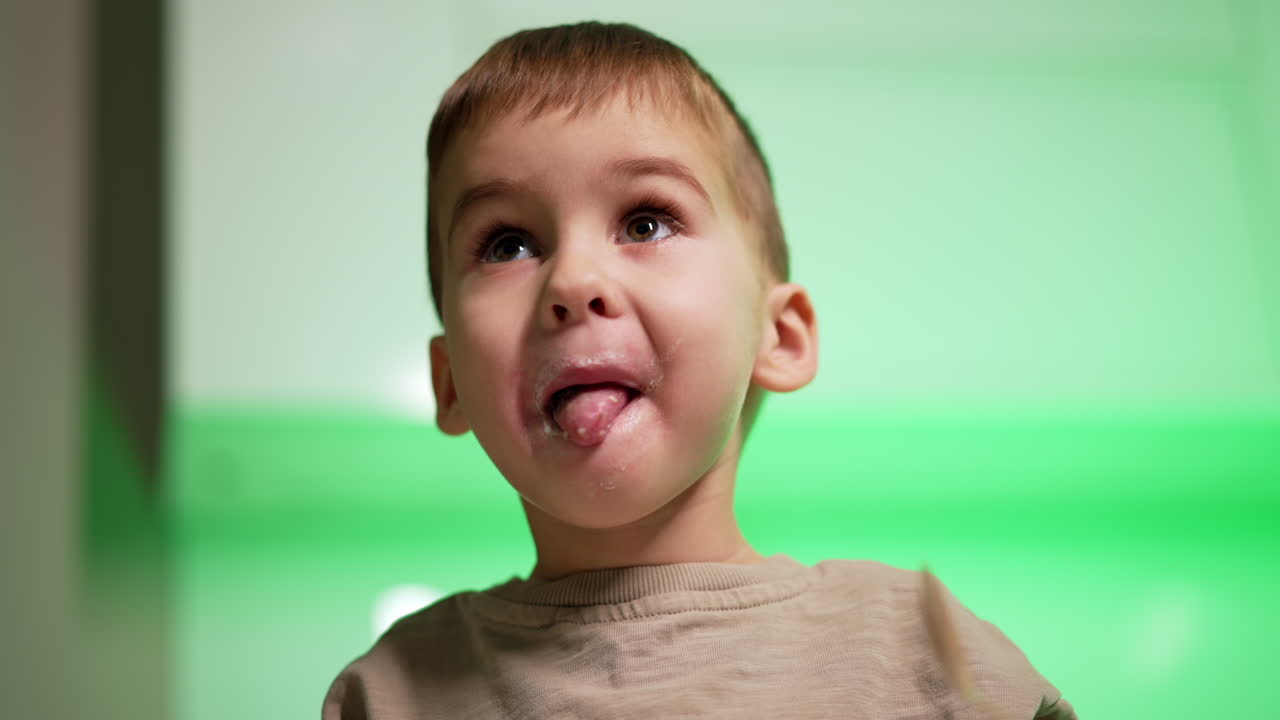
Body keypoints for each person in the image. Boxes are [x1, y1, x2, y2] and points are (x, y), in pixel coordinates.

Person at [323, 21, 1076, 719]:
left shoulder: (923, 655)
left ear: (776, 336)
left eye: (646, 222)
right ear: (450, 380)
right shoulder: (395, 692)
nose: (572, 281)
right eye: (508, 244)